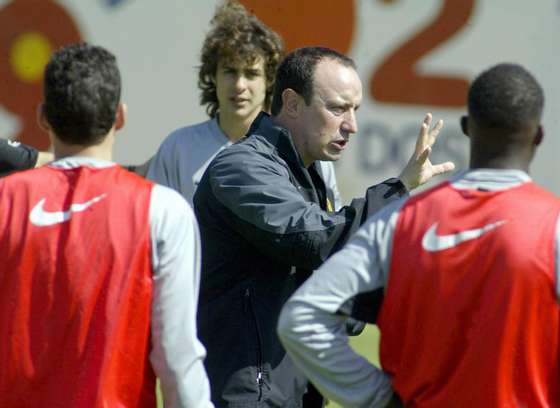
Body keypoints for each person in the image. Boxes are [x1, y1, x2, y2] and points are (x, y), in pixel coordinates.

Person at [277, 63, 560, 407]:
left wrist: (378, 397)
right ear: (540, 135)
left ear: (467, 128)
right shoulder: (553, 224)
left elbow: (302, 318)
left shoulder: (401, 220)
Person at [194, 46, 454, 407]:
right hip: (248, 395)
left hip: (292, 392)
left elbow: (325, 283)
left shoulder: (307, 174)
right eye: (337, 108)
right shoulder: (239, 168)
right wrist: (398, 191)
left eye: (355, 110)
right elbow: (318, 239)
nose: (352, 125)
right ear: (293, 103)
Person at [0, 43, 212, 408]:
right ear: (121, 116)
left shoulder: (5, 200)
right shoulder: (163, 210)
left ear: (43, 117)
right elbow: (177, 360)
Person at [147, 0, 342, 208]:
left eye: (251, 74)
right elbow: (154, 226)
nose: (239, 85)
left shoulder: (305, 151)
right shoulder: (178, 148)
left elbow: (331, 230)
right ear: (213, 76)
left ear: (269, 81)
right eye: (230, 71)